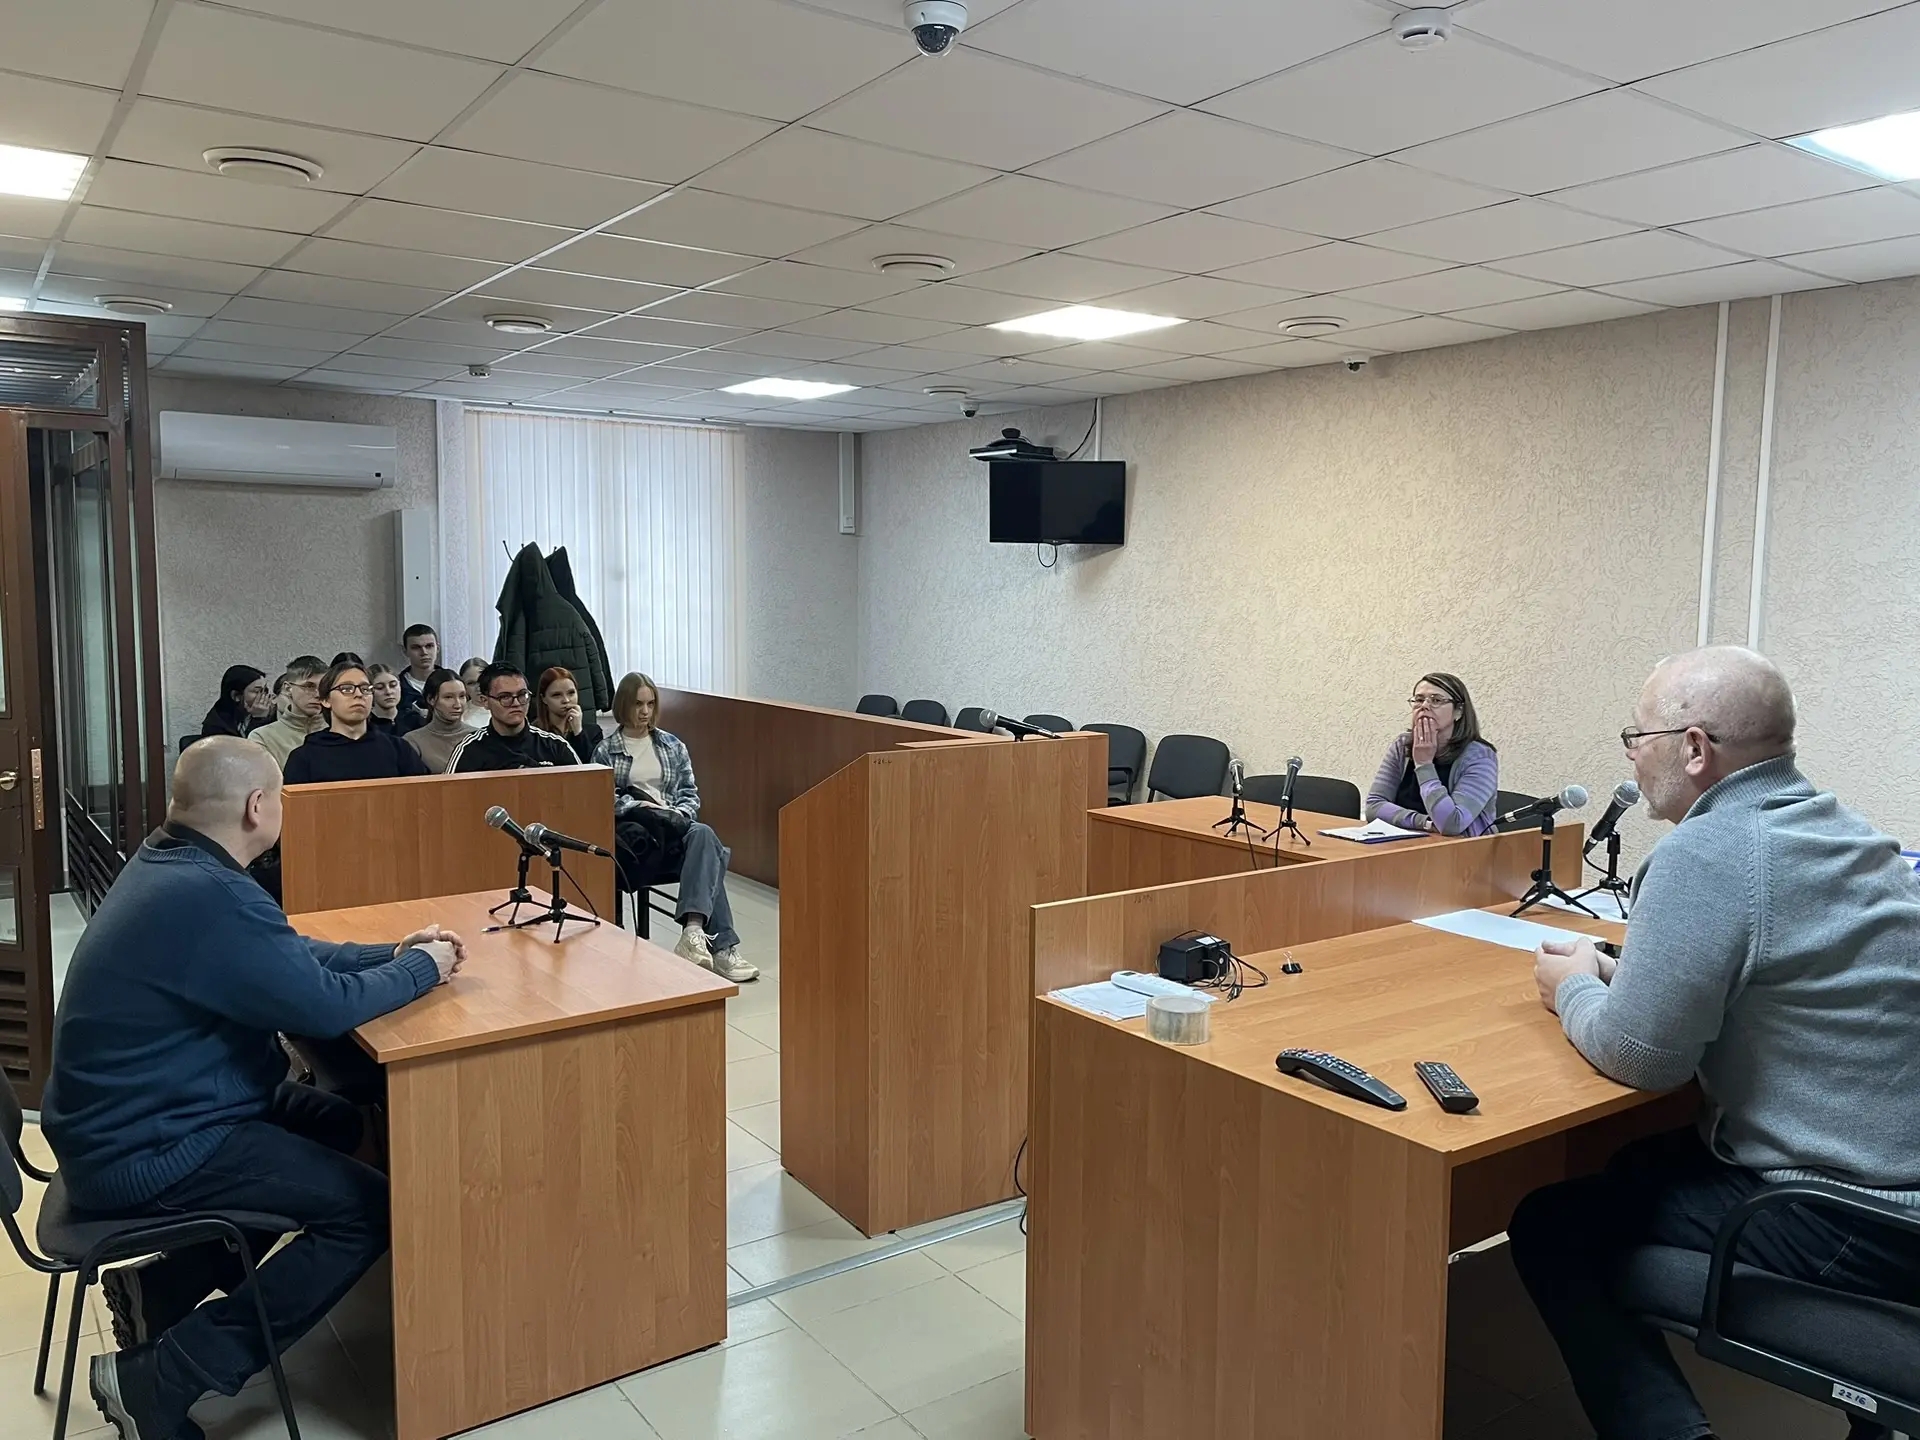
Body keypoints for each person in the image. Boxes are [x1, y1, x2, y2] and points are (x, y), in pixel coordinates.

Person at [1511, 646, 1920, 1440]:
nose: (1632, 755)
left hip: (1844, 1217)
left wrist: (1574, 988)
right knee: (1635, 1164)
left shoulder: (1707, 851)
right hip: (1902, 1193)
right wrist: (1627, 973)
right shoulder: (1845, 831)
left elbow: (1640, 1057)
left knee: (1550, 1225)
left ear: (1694, 749)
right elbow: (1777, 975)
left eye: (1638, 736)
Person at [39, 738, 465, 1440]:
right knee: (367, 1210)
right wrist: (425, 969)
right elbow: (322, 1008)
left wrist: (391, 954)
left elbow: (281, 954)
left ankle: (160, 1290)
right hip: (149, 1148)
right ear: (257, 807)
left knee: (340, 1124)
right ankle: (164, 1377)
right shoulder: (204, 893)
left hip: (145, 1117)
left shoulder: (174, 861)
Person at [593, 672, 757, 982]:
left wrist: (677, 814)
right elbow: (603, 800)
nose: (645, 711)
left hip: (675, 828)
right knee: (712, 854)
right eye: (638, 704)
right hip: (639, 837)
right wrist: (640, 807)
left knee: (703, 836)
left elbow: (689, 794)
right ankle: (721, 947)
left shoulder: (672, 745)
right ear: (623, 705)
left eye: (650, 704)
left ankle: (693, 932)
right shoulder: (606, 749)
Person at [1363, 672, 1499, 836]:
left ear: (1459, 711)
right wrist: (1423, 822)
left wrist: (1424, 764)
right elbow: (1374, 806)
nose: (1424, 706)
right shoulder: (1402, 745)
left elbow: (1452, 824)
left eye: (1436, 700)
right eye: (1419, 700)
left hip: (1463, 847)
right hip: (1404, 842)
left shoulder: (1480, 756)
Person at [284, 661, 431, 784]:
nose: (359, 694)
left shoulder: (399, 749)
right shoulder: (304, 758)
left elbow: (423, 798)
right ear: (326, 700)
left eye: (365, 689)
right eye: (346, 689)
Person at [449, 663, 580, 772]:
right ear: (485, 701)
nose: (516, 703)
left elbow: (583, 789)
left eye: (522, 695)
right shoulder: (469, 750)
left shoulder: (555, 745)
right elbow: (449, 793)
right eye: (505, 697)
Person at [248, 657, 326, 770]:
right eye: (309, 686)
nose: (318, 694)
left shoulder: (340, 732)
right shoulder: (263, 737)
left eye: (323, 687)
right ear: (288, 688)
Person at [403, 668, 471, 773]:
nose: (457, 705)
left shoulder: (478, 737)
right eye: (448, 697)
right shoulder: (413, 741)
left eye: (462, 696)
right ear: (431, 699)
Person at [536, 665, 599, 764]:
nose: (566, 700)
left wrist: (578, 732)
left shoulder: (593, 732)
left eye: (571, 693)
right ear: (543, 698)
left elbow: (592, 767)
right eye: (557, 695)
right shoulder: (534, 734)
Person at [200, 666, 271, 739]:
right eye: (257, 691)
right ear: (236, 696)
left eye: (265, 690)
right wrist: (259, 719)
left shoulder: (269, 713)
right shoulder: (216, 725)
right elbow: (251, 745)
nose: (264, 695)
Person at [396, 624, 439, 719]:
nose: (424, 652)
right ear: (405, 651)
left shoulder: (451, 683)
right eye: (416, 647)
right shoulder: (396, 687)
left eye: (429, 646)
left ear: (437, 648)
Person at [366, 663, 403, 734]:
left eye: (393, 685)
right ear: (369, 691)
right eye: (380, 687)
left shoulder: (415, 720)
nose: (388, 692)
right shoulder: (365, 727)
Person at [458, 656, 490, 729]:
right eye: (471, 683)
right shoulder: (458, 715)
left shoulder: (503, 710)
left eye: (482, 681)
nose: (478, 688)